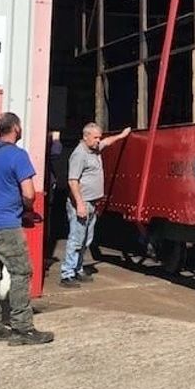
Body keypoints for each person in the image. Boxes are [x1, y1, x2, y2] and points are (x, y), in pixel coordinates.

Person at [0, 112, 52, 346]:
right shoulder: (18, 155)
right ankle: (22, 328)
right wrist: (24, 207)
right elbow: (29, 193)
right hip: (6, 224)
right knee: (21, 271)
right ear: (15, 128)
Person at [59, 122, 130, 288]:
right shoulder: (79, 154)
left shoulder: (95, 148)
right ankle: (67, 273)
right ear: (86, 137)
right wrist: (80, 204)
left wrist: (122, 136)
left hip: (92, 203)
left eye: (99, 137)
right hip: (82, 203)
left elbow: (107, 142)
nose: (99, 140)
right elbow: (72, 181)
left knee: (86, 239)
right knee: (76, 238)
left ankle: (77, 268)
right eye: (96, 137)